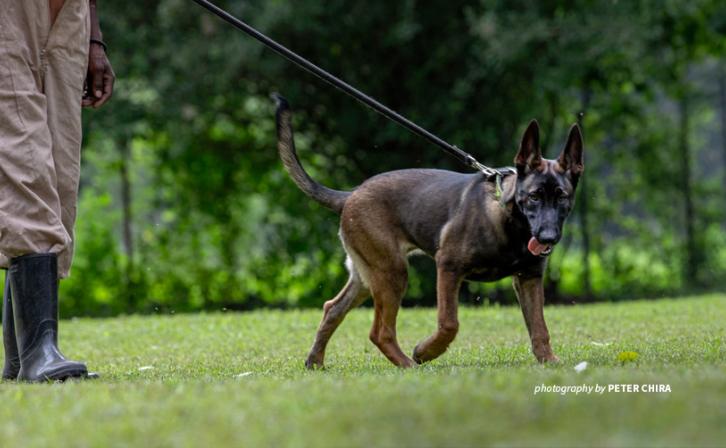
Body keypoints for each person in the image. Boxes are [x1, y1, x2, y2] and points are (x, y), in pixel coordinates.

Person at [0, 0, 114, 381]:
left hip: (70, 16)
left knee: (59, 175)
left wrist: (94, 38)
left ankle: (20, 355)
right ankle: (38, 352)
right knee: (24, 159)